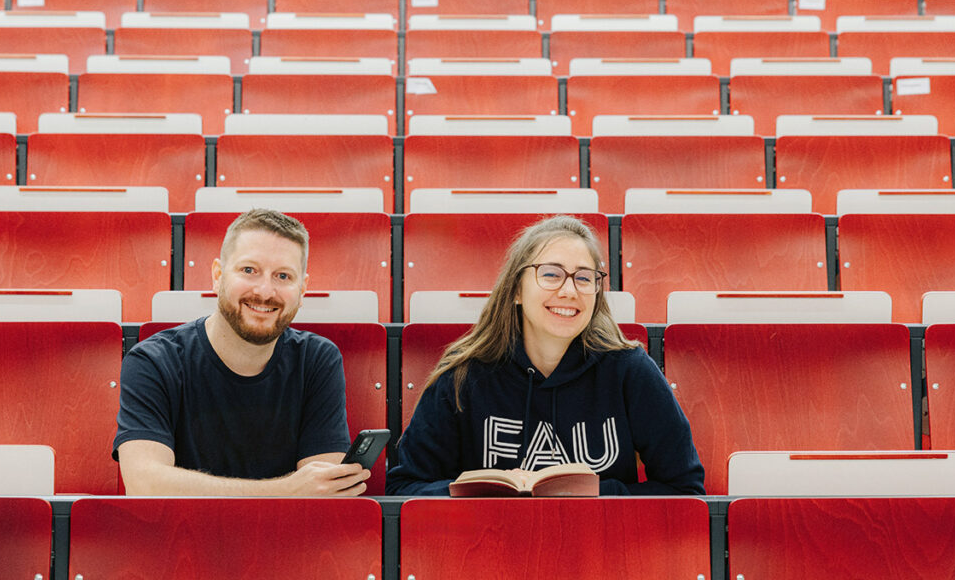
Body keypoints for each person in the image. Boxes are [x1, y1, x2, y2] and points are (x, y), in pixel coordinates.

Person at [386, 215, 704, 496]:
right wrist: (473, 494)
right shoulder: (463, 374)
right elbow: (405, 488)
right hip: (488, 547)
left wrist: (598, 494)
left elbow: (684, 488)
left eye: (584, 277)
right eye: (551, 274)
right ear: (516, 290)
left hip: (601, 549)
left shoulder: (630, 370)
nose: (569, 291)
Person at [113, 208, 370, 496]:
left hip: (285, 540)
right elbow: (144, 485)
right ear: (217, 275)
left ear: (303, 289)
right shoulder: (152, 361)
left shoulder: (318, 360)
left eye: (283, 276)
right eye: (249, 270)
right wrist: (285, 490)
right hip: (181, 538)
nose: (264, 291)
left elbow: (323, 492)